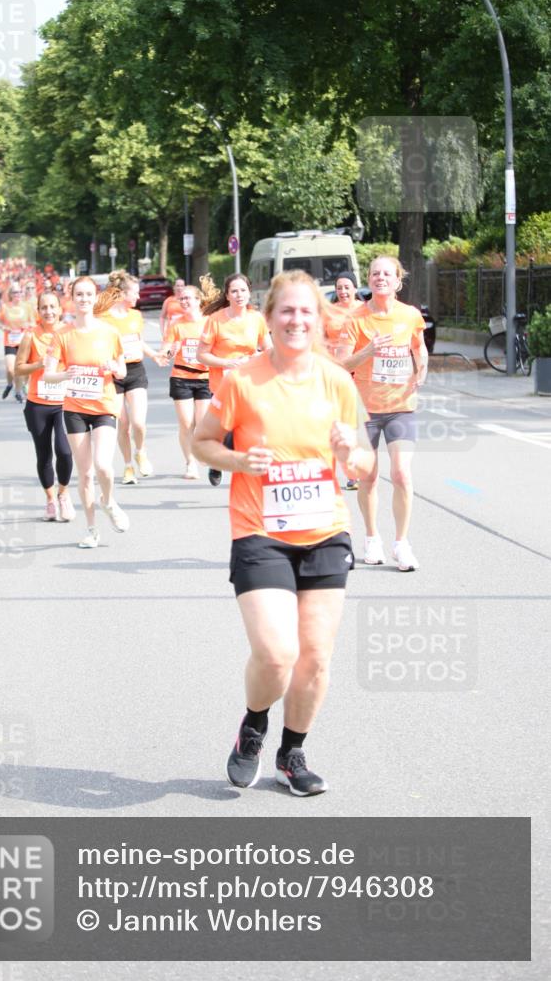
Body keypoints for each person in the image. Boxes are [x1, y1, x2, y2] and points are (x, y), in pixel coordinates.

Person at [193, 270, 374, 796]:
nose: (297, 320)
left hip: (325, 533)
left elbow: (364, 466)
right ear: (269, 318)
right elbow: (203, 442)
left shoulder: (336, 381)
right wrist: (238, 460)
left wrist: (350, 456)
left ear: (319, 321)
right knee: (277, 654)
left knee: (315, 657)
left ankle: (292, 753)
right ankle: (253, 724)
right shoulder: (242, 379)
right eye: (287, 311)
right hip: (260, 533)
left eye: (306, 312)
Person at [340, 255, 428, 571]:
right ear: (370, 279)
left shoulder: (410, 316)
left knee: (402, 473)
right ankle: (372, 537)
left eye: (386, 273)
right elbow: (341, 364)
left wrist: (422, 371)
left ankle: (401, 544)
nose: (380, 278)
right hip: (365, 410)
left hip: (401, 408)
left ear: (397, 281)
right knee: (369, 477)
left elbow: (419, 348)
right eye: (375, 273)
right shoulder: (355, 319)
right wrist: (368, 351)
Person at [42, 276, 128, 549]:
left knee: (104, 466)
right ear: (71, 298)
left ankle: (109, 501)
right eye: (78, 294)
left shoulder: (109, 332)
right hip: (75, 409)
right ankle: (91, 530)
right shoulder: (62, 334)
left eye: (88, 294)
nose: (83, 299)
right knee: (86, 473)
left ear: (95, 297)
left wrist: (113, 368)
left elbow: (123, 370)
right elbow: (48, 375)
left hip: (103, 405)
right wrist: (66, 373)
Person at [197, 273, 272, 487]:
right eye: (234, 291)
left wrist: (260, 356)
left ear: (249, 293)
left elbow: (269, 348)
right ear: (228, 295)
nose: (239, 295)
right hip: (222, 385)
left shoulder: (256, 318)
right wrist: (227, 363)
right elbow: (201, 355)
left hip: (250, 384)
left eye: (243, 290)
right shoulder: (215, 320)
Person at [94, 271, 167, 485]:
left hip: (135, 370)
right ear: (121, 294)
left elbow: (138, 341)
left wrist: (153, 355)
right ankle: (127, 466)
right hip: (113, 373)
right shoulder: (103, 317)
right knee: (123, 424)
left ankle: (140, 452)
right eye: (134, 292)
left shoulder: (136, 316)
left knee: (138, 422)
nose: (138, 297)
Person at [14, 292, 75, 522]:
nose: (49, 311)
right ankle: (50, 500)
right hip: (37, 403)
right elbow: (19, 368)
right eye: (44, 308)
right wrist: (40, 364)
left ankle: (64, 494)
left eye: (52, 307)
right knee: (44, 455)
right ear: (38, 311)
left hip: (63, 401)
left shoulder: (70, 333)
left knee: (65, 451)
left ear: (60, 309)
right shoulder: (31, 336)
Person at [162, 285, 212, 479]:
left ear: (198, 300)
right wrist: (170, 351)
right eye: (181, 299)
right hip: (181, 377)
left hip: (205, 378)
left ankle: (201, 451)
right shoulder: (176, 324)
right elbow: (165, 349)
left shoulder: (209, 322)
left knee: (201, 422)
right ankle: (190, 462)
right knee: (186, 423)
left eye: (188, 298)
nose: (184, 302)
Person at [322, 271, 362, 491]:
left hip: (360, 374)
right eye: (339, 288)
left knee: (354, 426)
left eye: (347, 287)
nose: (343, 291)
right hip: (336, 373)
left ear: (355, 288)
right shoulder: (330, 312)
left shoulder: (364, 311)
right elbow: (321, 340)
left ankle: (354, 471)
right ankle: (343, 472)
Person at [0, 283, 34, 402]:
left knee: (20, 368)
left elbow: (33, 323)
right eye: (15, 292)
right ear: (10, 294)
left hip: (23, 341)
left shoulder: (27, 306)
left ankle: (18, 392)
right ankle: (9, 384)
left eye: (20, 292)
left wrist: (27, 325)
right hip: (10, 341)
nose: (18, 294)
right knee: (10, 369)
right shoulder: (5, 307)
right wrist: (4, 328)